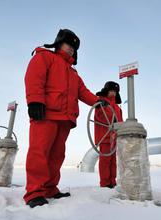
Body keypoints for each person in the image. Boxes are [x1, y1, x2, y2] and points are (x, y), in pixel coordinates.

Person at [24, 29, 108, 208]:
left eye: (74, 48)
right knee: (40, 152)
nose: (71, 49)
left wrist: (99, 101)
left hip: (65, 119)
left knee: (57, 155)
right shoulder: (44, 57)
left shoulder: (74, 74)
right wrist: (35, 102)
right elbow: (34, 78)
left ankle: (49, 188)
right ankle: (34, 192)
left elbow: (83, 93)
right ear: (58, 43)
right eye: (68, 45)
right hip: (45, 114)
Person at [95, 81, 123, 188]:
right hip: (105, 136)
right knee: (105, 160)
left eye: (115, 91)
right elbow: (100, 116)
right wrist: (113, 121)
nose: (113, 93)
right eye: (111, 91)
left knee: (113, 161)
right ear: (106, 91)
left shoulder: (117, 108)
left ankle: (112, 181)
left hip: (114, 138)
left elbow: (120, 121)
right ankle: (105, 183)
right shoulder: (101, 104)